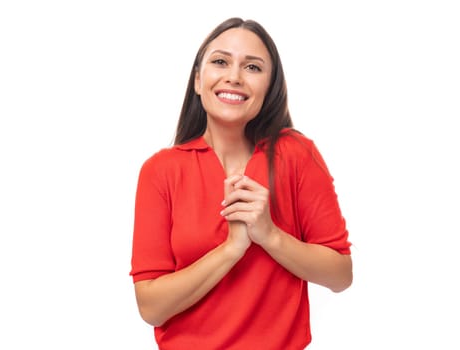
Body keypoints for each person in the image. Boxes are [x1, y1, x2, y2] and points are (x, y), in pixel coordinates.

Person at [129, 17, 353, 350]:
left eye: (252, 67)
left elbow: (340, 275)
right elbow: (151, 307)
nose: (234, 77)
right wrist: (232, 250)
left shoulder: (296, 155)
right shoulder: (161, 170)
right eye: (220, 61)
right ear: (197, 80)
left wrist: (270, 235)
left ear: (270, 85)